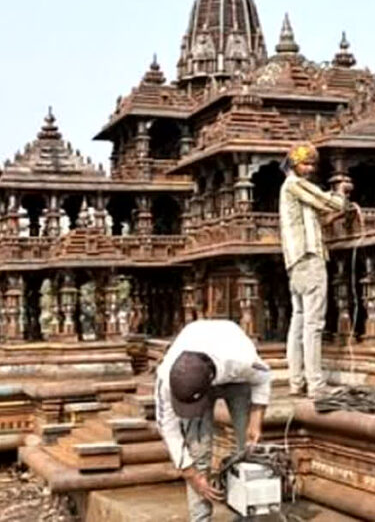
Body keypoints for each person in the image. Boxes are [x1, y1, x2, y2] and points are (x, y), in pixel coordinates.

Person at [155, 319, 271, 522]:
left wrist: (256, 421)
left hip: (236, 377)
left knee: (248, 450)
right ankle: (200, 519)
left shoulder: (242, 360)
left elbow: (264, 378)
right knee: (198, 453)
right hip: (200, 372)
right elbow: (168, 428)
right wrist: (191, 474)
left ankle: (248, 514)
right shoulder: (166, 379)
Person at [279, 142, 352, 398]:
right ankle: (316, 385)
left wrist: (334, 215)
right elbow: (327, 201)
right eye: (305, 164)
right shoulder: (294, 184)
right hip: (309, 260)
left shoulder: (293, 190)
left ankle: (297, 382)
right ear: (293, 164)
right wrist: (341, 193)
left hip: (296, 263)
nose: (309, 169)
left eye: (312, 164)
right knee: (313, 324)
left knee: (298, 321)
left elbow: (316, 216)